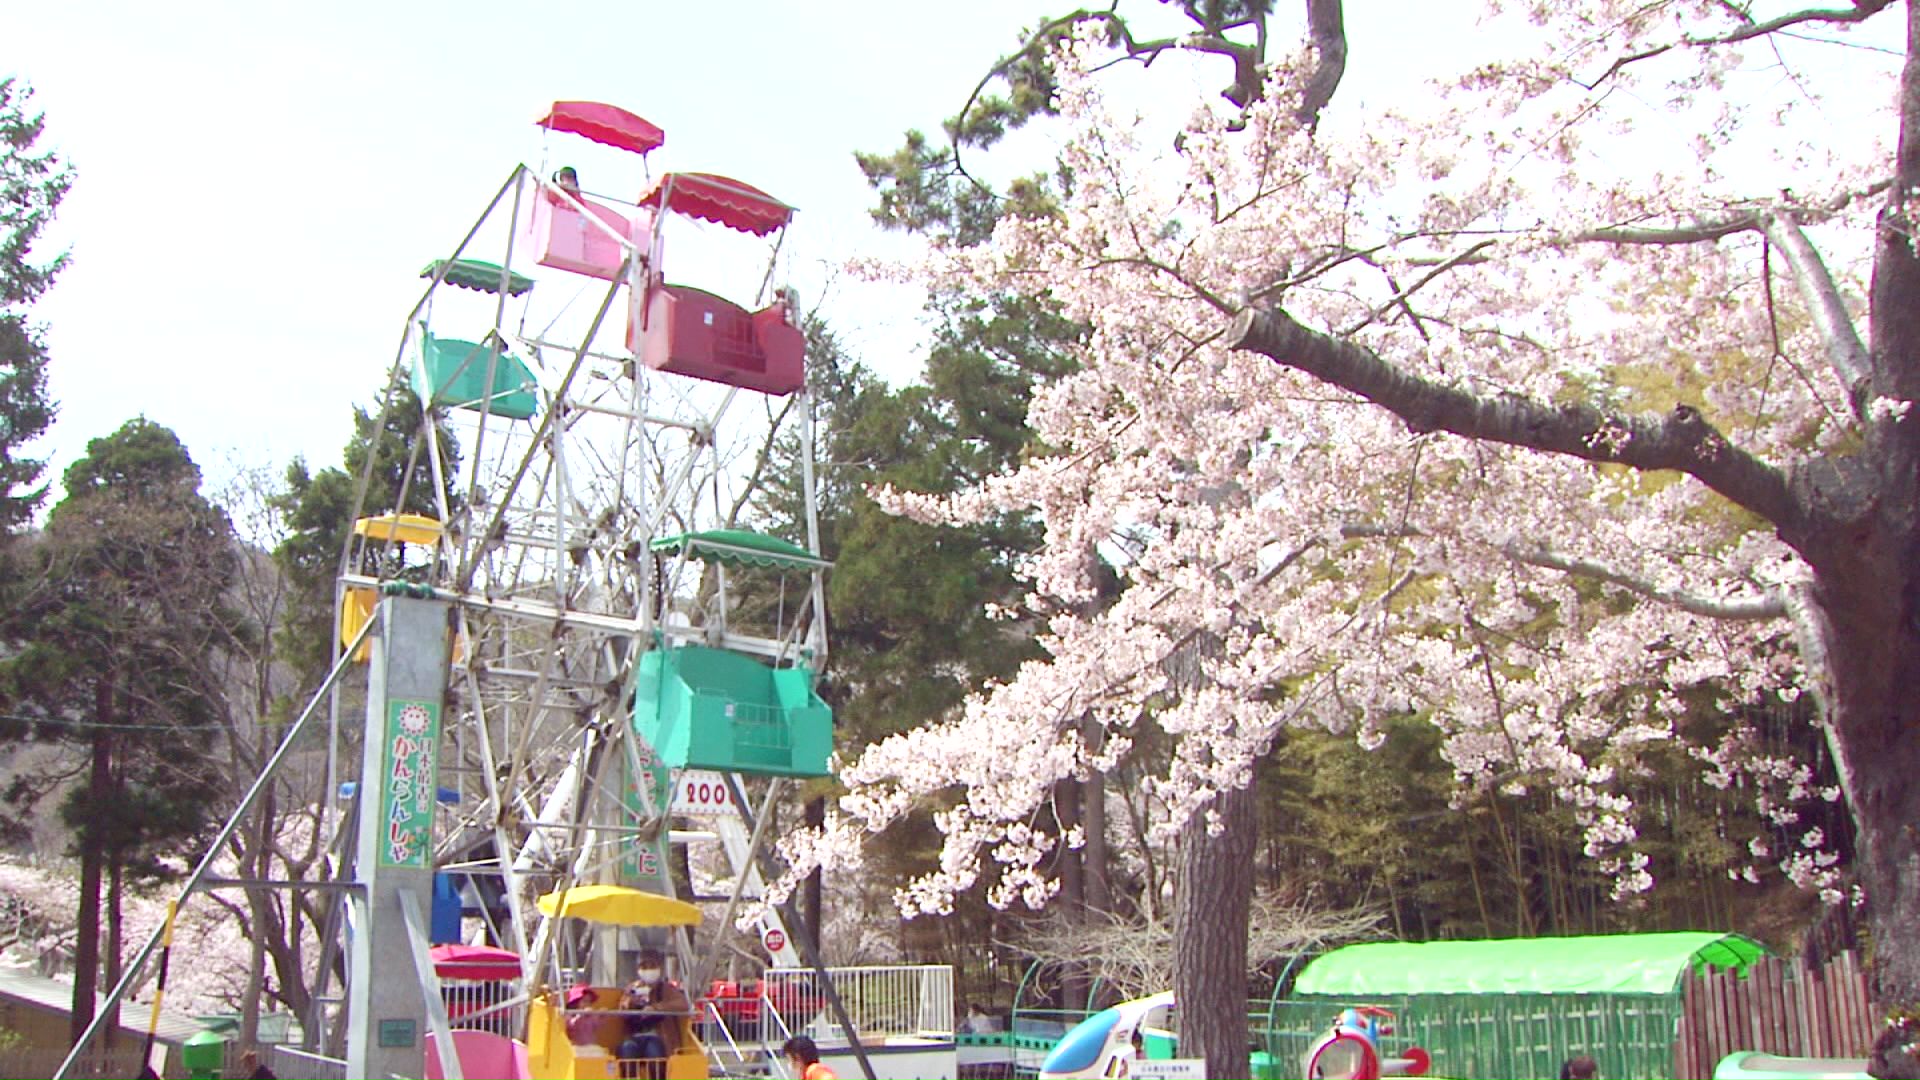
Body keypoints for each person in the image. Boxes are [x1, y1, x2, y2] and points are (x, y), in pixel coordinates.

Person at [618, 948, 691, 1080]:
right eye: (644, 966)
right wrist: (631, 1002)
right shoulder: (632, 988)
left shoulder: (666, 989)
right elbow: (621, 1010)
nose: (648, 970)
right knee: (627, 1050)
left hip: (658, 1037)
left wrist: (656, 1007)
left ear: (659, 968)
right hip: (634, 1036)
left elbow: (683, 1004)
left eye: (652, 966)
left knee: (655, 1054)